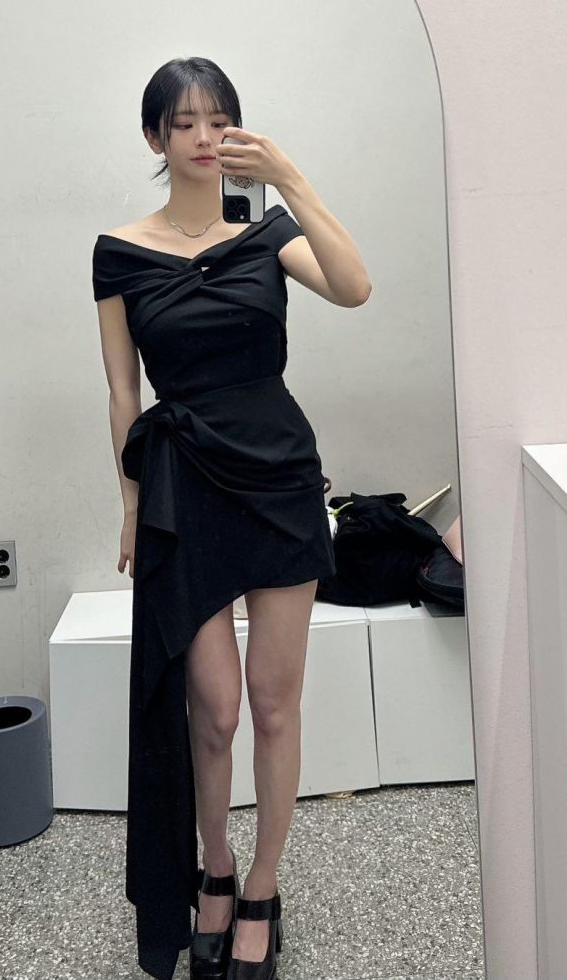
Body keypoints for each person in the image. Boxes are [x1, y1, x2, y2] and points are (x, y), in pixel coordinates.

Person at [92, 57, 372, 980]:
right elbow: (122, 393)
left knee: (273, 701)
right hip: (185, 486)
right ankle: (211, 867)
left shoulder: (267, 234)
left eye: (219, 120)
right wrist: (132, 504)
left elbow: (355, 286)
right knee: (211, 708)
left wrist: (288, 177)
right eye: (185, 122)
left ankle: (260, 886)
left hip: (278, 477)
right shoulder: (118, 252)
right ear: (155, 136)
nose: (205, 137)